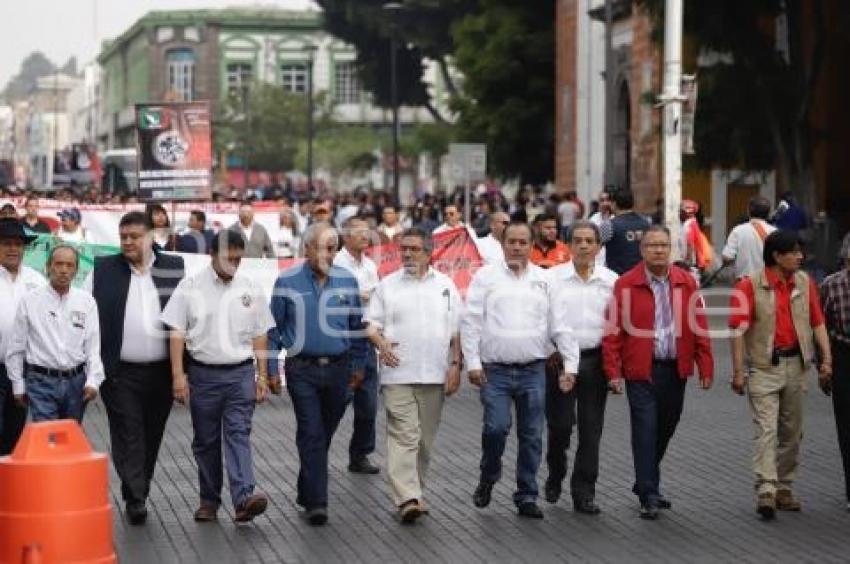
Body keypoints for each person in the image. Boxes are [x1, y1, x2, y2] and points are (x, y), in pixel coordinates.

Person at [462, 221, 579, 520]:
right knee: (495, 429)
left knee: (531, 435)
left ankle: (526, 494)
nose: (516, 246)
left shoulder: (546, 280)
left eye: (522, 242)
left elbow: (560, 324)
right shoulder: (485, 277)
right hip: (494, 372)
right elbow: (471, 322)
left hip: (533, 371)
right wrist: (472, 363)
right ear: (503, 244)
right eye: (511, 241)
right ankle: (489, 475)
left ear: (530, 244)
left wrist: (571, 365)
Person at [161, 229, 273, 523]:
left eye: (238, 259)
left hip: (240, 375)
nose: (233, 265)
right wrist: (177, 376)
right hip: (203, 376)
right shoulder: (190, 286)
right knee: (206, 441)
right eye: (228, 258)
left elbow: (261, 334)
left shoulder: (251, 287)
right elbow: (176, 332)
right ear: (212, 254)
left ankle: (244, 499)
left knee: (238, 434)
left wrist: (262, 376)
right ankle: (208, 501)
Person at [603, 225, 713, 520]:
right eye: (652, 245)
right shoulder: (626, 284)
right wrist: (613, 370)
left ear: (670, 249)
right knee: (645, 430)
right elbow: (613, 330)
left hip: (675, 369)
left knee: (666, 426)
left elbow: (698, 323)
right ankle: (649, 494)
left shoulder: (686, 282)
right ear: (642, 250)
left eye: (663, 245)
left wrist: (706, 364)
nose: (659, 250)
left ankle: (644, 480)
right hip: (641, 370)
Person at [87, 211, 185, 525]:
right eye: (123, 237)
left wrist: (182, 373)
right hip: (119, 373)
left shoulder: (174, 268)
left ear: (150, 237)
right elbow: (87, 317)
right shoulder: (103, 270)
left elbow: (187, 318)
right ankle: (137, 498)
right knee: (129, 433)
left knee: (151, 435)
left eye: (133, 237)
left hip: (161, 372)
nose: (127, 242)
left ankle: (136, 489)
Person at [268, 222, 368, 526]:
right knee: (311, 433)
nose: (327, 253)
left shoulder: (347, 282)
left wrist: (359, 365)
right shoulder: (286, 282)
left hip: (339, 370)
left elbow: (356, 328)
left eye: (332, 248)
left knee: (322, 435)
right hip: (302, 371)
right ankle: (317, 503)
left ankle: (306, 486)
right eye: (321, 247)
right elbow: (273, 330)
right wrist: (271, 368)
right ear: (306, 248)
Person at [729, 230, 831, 519]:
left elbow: (817, 322)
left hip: (797, 367)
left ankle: (784, 488)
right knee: (766, 429)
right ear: (777, 256)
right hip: (763, 368)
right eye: (795, 252)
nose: (800, 257)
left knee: (793, 432)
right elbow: (737, 330)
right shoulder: (749, 286)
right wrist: (738, 372)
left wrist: (827, 360)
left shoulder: (804, 282)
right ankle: (766, 489)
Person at [365, 228, 462, 523]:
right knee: (403, 435)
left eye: (414, 249)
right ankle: (406, 497)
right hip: (398, 374)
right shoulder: (388, 286)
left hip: (434, 373)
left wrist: (456, 364)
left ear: (429, 252)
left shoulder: (446, 286)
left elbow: (456, 330)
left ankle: (415, 491)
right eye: (403, 249)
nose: (407, 254)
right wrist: (381, 344)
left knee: (424, 442)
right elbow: (370, 324)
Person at [545, 220, 618, 514]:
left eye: (590, 240)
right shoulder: (551, 279)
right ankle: (555, 471)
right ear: (568, 244)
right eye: (578, 240)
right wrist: (551, 351)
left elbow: (618, 324)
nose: (584, 245)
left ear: (599, 246)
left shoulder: (612, 280)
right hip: (559, 361)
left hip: (596, 359)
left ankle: (583, 491)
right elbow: (541, 319)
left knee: (591, 429)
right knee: (560, 425)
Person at [5, 245, 104, 422]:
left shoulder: (87, 302)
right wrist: (17, 384)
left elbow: (92, 345)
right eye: (58, 264)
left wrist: (93, 380)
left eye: (69, 265)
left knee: (71, 438)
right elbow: (17, 346)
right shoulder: (29, 300)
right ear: (48, 266)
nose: (63, 270)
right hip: (40, 382)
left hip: (76, 382)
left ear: (76, 270)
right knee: (48, 438)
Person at [333, 216, 381, 475]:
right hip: (344, 338)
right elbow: (339, 299)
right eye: (360, 232)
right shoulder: (337, 264)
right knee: (338, 402)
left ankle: (360, 453)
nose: (366, 237)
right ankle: (318, 448)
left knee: (369, 404)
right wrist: (359, 294)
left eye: (368, 232)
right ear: (346, 236)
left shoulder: (370, 266)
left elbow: (376, 299)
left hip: (368, 337)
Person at [0, 219, 45, 454]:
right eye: (6, 243)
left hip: (24, 369)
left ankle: (6, 488)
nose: (13, 249)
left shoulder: (36, 280)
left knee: (14, 434)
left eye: (18, 244)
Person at [820, 238, 850, 512]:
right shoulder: (831, 284)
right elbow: (821, 326)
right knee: (846, 426)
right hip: (843, 356)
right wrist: (824, 365)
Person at [722, 196, 777, 280]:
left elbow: (727, 257)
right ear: (768, 213)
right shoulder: (774, 232)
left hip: (744, 280)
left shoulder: (738, 230)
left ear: (748, 211)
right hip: (767, 280)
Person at [601, 190, 650, 275]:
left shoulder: (609, 225)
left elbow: (594, 246)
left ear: (614, 204)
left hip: (617, 277)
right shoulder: (646, 223)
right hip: (642, 277)